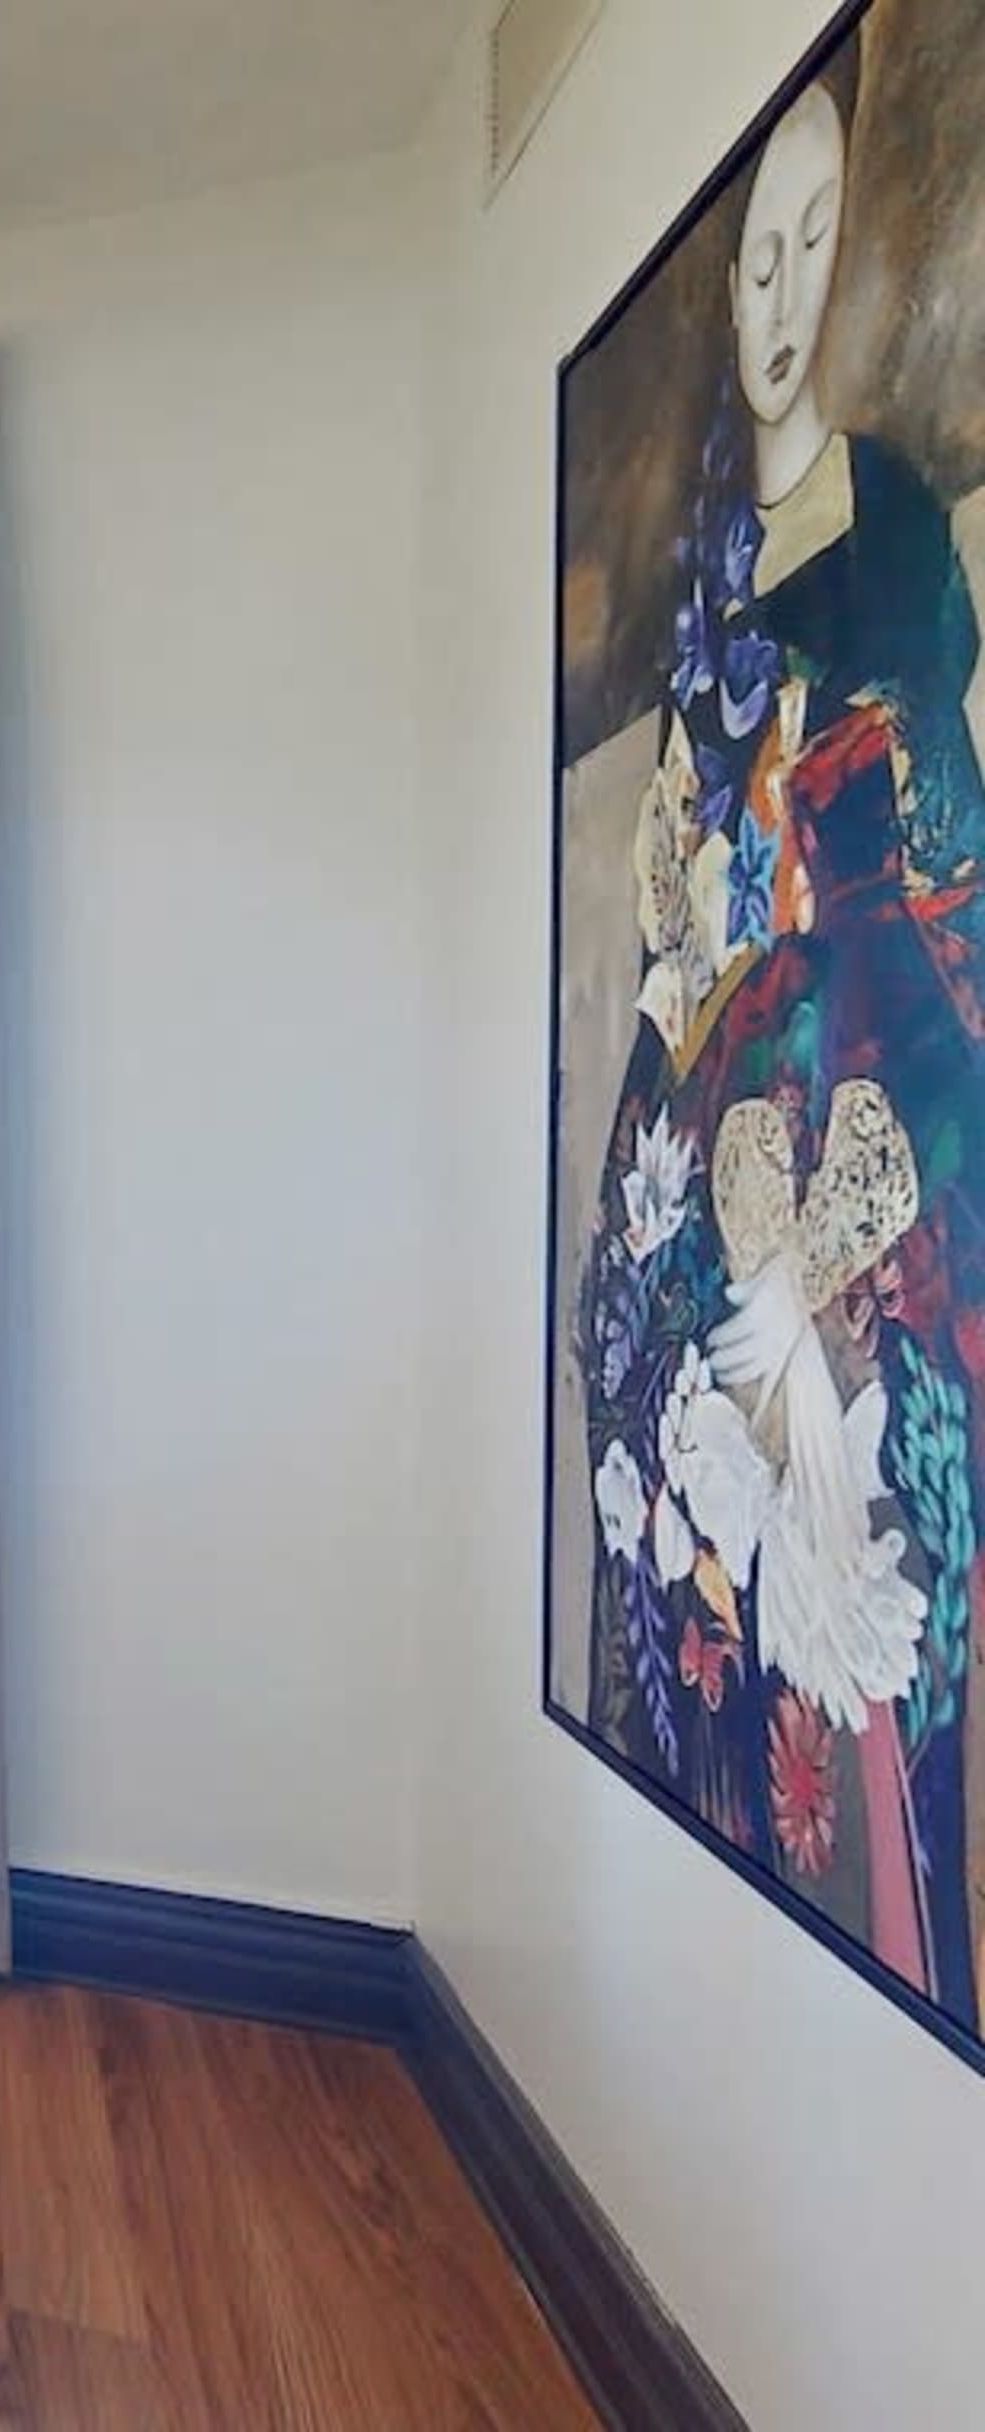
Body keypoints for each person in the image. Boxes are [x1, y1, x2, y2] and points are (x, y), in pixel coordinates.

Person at [578, 75, 985, 2025]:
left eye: (820, 241)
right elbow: (680, 887)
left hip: (840, 1089)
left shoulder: (890, 529)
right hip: (712, 1089)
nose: (784, 283)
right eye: (763, 245)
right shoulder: (704, 570)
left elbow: (924, 872)